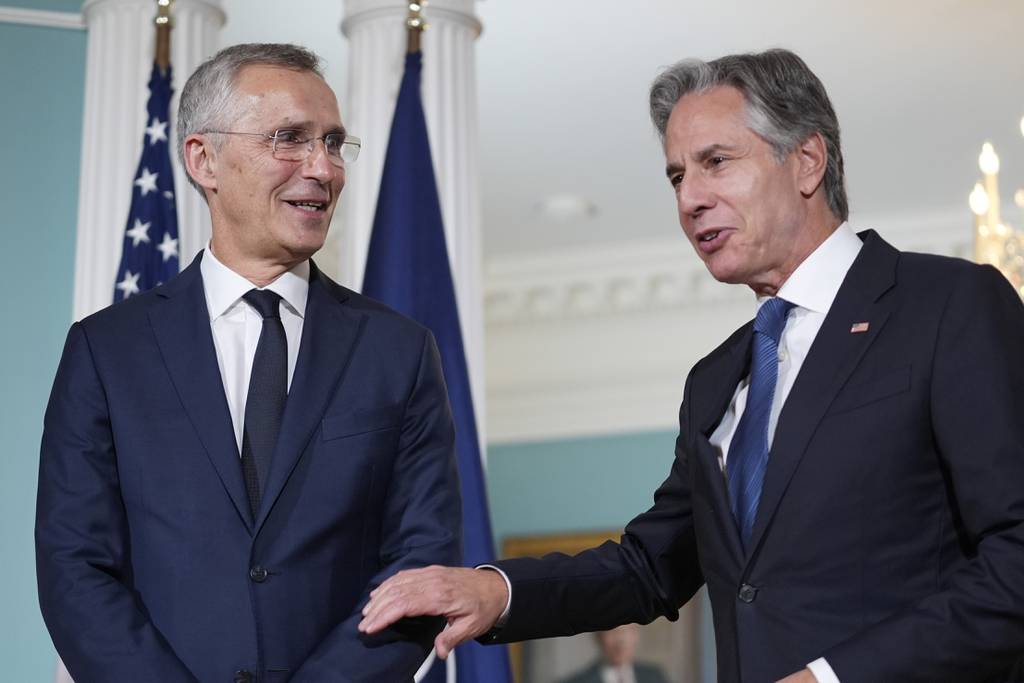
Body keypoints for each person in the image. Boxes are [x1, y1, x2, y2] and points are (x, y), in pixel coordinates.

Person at [359, 48, 1024, 682]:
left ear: (808, 162)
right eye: (678, 175)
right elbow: (650, 566)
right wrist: (495, 590)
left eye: (715, 162)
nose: (689, 198)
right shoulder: (716, 378)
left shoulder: (948, 306)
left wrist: (832, 676)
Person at [36, 43, 461, 682]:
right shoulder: (106, 350)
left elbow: (420, 564)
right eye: (289, 139)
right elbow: (75, 566)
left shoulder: (399, 352)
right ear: (204, 159)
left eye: (334, 143)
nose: (323, 168)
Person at [557, 624, 669, 683]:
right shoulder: (576, 682)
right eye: (613, 631)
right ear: (598, 637)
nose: (621, 640)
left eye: (629, 630)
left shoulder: (656, 677)